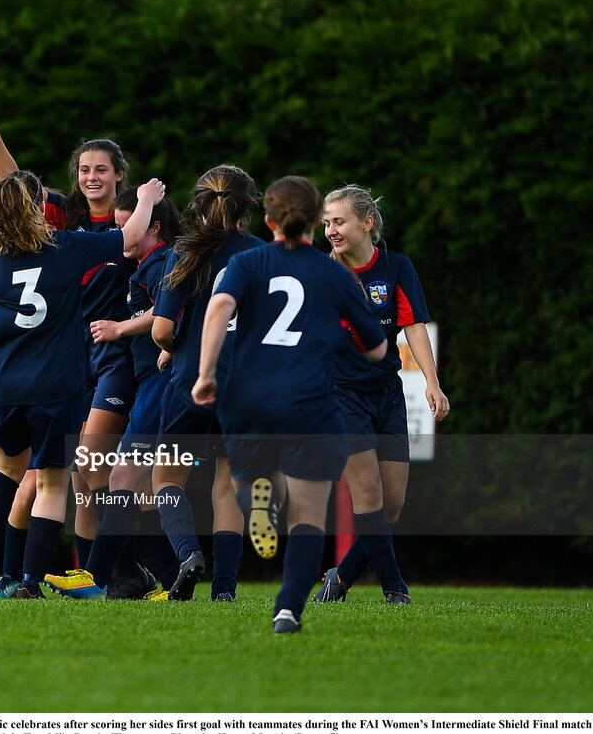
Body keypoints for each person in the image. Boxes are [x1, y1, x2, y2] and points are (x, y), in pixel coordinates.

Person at [0, 172, 165, 599]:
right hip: (56, 388)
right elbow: (130, 236)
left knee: (5, 469)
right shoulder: (66, 247)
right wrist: (148, 198)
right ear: (38, 208)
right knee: (53, 485)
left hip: (1, 387)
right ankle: (28, 583)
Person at [191, 175, 386, 633]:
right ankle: (287, 610)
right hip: (311, 401)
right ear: (317, 222)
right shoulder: (331, 271)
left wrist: (205, 373)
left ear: (269, 220)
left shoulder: (250, 261)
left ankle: (262, 498)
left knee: (252, 484)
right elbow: (376, 348)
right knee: (307, 513)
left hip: (248, 397)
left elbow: (218, 309)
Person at [44, 187, 185, 599]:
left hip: (158, 384)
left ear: (153, 226)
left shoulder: (162, 262)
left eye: (130, 228)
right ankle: (163, 580)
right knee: (138, 485)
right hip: (148, 383)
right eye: (120, 227)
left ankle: (99, 576)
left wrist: (122, 328)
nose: (123, 235)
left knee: (122, 476)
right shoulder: (142, 264)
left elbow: (165, 314)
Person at [312, 184, 450, 604]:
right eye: (326, 223)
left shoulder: (397, 267)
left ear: (367, 223)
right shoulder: (321, 273)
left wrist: (431, 380)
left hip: (387, 392)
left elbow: (413, 326)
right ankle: (396, 590)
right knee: (367, 493)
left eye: (339, 221)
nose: (331, 230)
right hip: (340, 395)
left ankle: (342, 575)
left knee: (392, 503)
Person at [149, 165, 261, 601]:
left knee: (166, 480)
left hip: (191, 382)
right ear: (245, 207)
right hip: (244, 389)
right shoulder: (263, 255)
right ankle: (225, 590)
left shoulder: (184, 251)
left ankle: (189, 554)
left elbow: (160, 329)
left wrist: (176, 346)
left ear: (197, 203)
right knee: (228, 486)